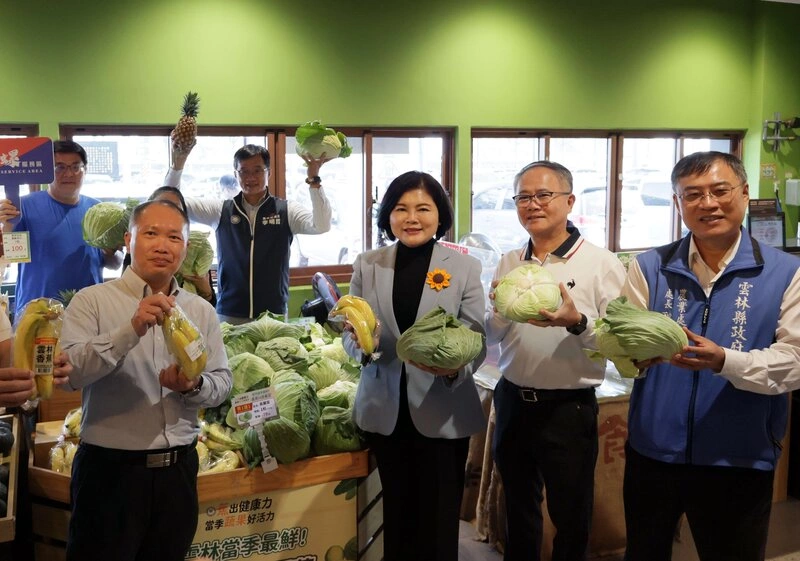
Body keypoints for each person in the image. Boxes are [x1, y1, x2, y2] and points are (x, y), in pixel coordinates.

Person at [621, 151, 800, 561]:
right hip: (653, 451)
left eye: (720, 191)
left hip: (738, 455)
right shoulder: (650, 266)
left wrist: (725, 361)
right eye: (693, 195)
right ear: (677, 203)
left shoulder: (786, 272)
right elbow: (623, 346)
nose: (709, 204)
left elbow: (795, 360)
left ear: (744, 192)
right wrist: (631, 356)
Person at [60, 200, 232, 561]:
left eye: (174, 237)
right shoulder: (91, 302)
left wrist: (193, 386)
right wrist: (131, 329)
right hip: (109, 474)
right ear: (128, 238)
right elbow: (70, 375)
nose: (163, 245)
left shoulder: (201, 310)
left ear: (185, 248)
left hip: (178, 474)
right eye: (151, 233)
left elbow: (222, 384)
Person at [485, 161, 626, 561]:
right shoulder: (510, 260)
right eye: (523, 197)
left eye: (544, 195)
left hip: (568, 408)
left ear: (569, 201)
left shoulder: (601, 263)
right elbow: (494, 334)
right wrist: (495, 310)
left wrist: (578, 322)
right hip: (512, 400)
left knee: (570, 513)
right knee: (517, 506)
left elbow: (620, 342)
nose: (533, 205)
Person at [344, 171, 487, 561]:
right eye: (400, 208)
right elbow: (349, 329)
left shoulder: (464, 267)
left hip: (443, 410)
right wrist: (360, 346)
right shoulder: (368, 264)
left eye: (423, 208)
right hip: (385, 410)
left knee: (439, 521)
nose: (412, 217)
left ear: (440, 216)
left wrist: (455, 367)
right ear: (387, 216)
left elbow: (477, 337)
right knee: (398, 515)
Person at [164, 141, 333, 323]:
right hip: (230, 312)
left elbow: (321, 225)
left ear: (268, 172)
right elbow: (170, 201)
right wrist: (178, 164)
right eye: (243, 171)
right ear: (236, 174)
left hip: (273, 314)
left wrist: (314, 180)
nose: (250, 177)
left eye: (257, 170)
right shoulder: (221, 210)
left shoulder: (286, 211)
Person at [0, 140, 123, 313]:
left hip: (87, 311)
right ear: (49, 172)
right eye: (60, 167)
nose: (68, 174)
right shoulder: (23, 207)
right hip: (36, 312)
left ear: (85, 170)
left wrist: (111, 251)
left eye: (75, 167)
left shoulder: (98, 211)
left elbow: (114, 264)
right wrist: (7, 225)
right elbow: (11, 256)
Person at [122, 186, 216, 306]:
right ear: (129, 241)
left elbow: (210, 304)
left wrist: (205, 289)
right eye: (151, 234)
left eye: (176, 208)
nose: (161, 248)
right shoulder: (96, 301)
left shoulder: (197, 249)